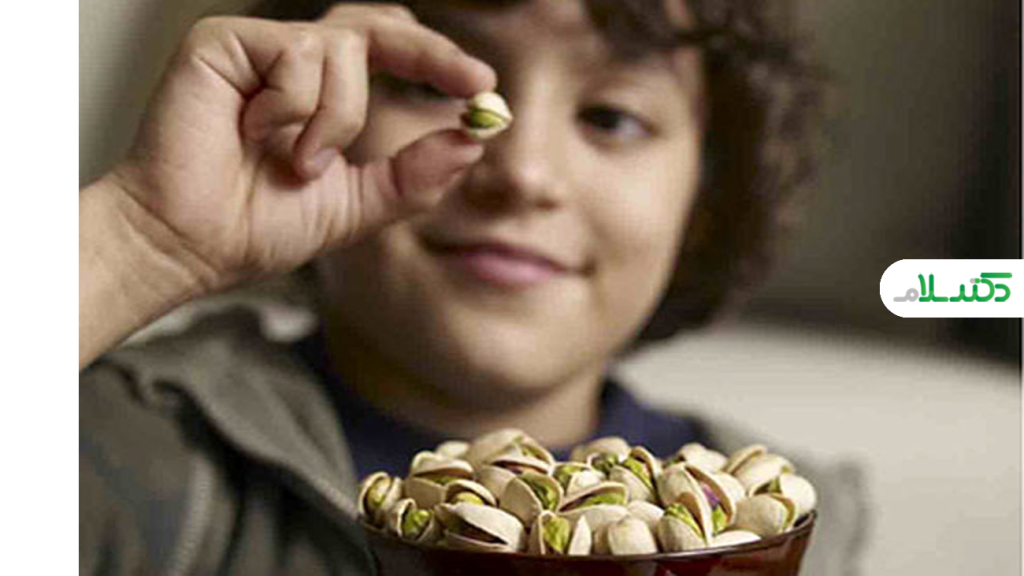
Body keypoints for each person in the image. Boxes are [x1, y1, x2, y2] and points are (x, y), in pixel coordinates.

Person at [78, 0, 866, 574]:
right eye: (432, 88)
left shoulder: (788, 525)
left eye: (612, 117)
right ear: (303, 120)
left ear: (705, 204)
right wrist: (141, 240)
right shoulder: (136, 444)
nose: (523, 173)